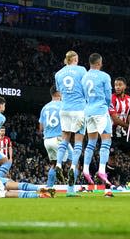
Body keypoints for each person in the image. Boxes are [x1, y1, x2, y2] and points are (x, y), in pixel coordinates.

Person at [54, 50, 87, 197]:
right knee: (78, 142)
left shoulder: (58, 73)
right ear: (75, 59)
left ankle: (59, 164)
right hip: (79, 109)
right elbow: (86, 88)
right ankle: (73, 167)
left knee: (64, 139)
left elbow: (60, 92)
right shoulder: (81, 70)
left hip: (64, 109)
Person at [81, 53, 113, 196]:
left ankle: (86, 170)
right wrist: (106, 106)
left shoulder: (84, 77)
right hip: (100, 110)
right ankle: (101, 170)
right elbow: (108, 96)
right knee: (106, 142)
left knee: (91, 143)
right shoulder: (104, 76)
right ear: (100, 63)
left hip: (88, 111)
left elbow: (83, 94)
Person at [107, 77, 130, 193]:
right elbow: (115, 120)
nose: (117, 87)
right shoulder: (111, 98)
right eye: (115, 85)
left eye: (120, 85)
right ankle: (107, 189)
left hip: (125, 135)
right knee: (112, 160)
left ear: (125, 86)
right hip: (112, 135)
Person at [38, 86, 73, 188]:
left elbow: (40, 127)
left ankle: (49, 188)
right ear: (58, 93)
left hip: (47, 140)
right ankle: (71, 190)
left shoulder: (45, 107)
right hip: (59, 139)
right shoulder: (64, 105)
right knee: (73, 161)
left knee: (54, 164)